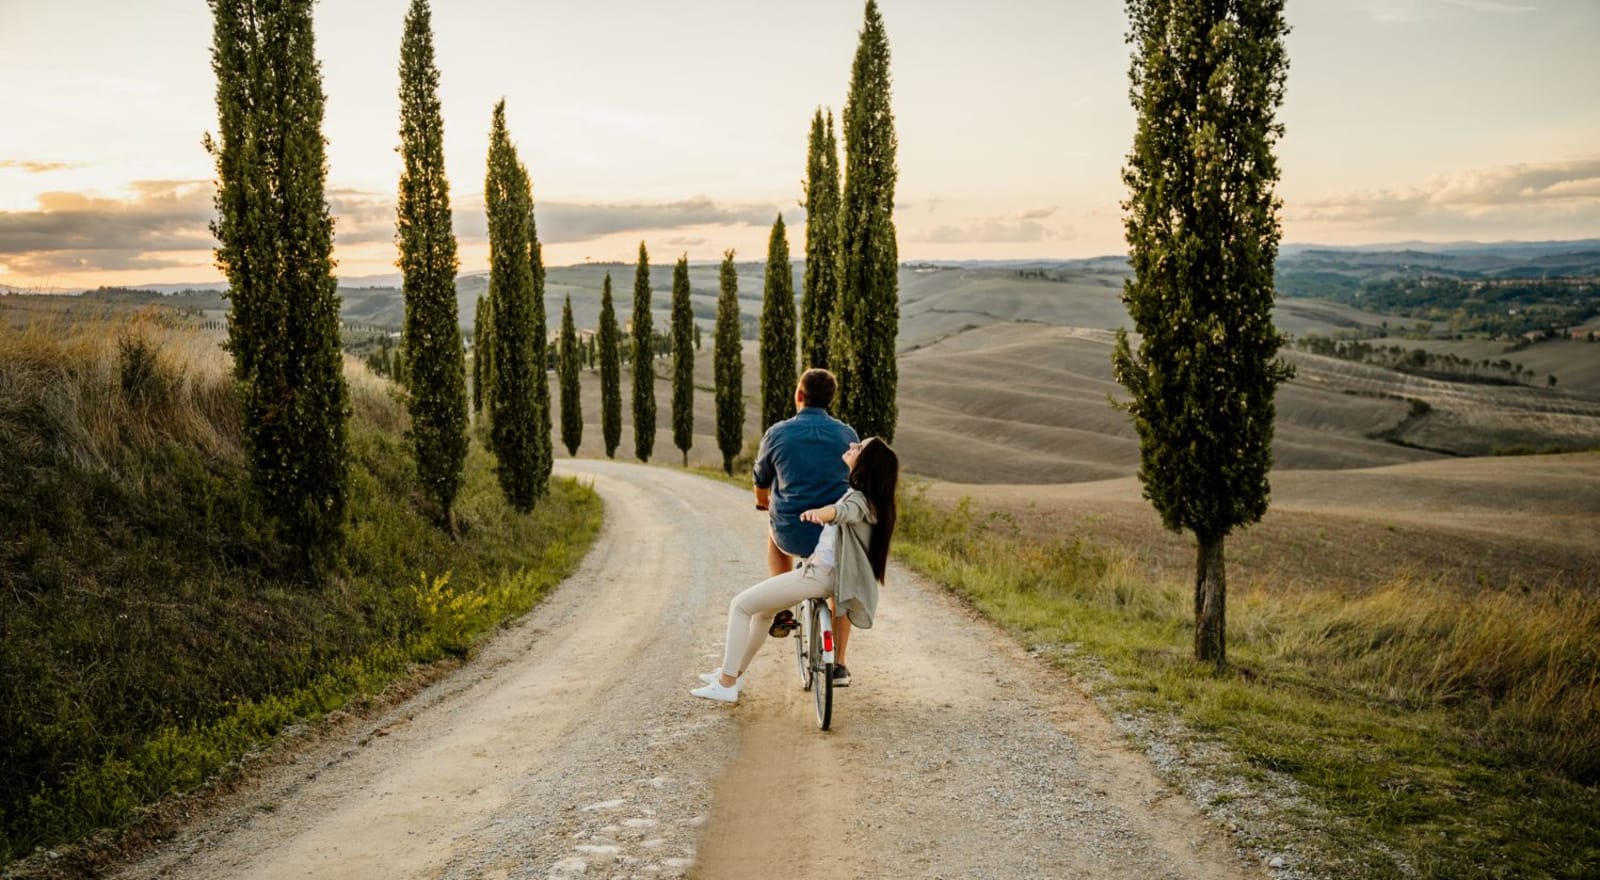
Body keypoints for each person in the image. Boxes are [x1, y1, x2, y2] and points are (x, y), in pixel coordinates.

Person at [692, 437, 899, 703]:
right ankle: (734, 673)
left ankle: (726, 684)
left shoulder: (859, 500)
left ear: (866, 463)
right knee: (764, 612)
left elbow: (841, 511)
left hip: (818, 576)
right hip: (826, 574)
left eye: (859, 448)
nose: (851, 446)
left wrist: (820, 513)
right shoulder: (870, 500)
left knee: (740, 605)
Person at [751, 368, 861, 684]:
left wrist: (763, 502)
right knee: (839, 588)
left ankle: (783, 606)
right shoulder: (847, 434)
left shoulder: (777, 433)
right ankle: (839, 664)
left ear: (799, 395)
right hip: (835, 533)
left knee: (774, 536)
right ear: (830, 399)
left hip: (792, 533)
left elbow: (761, 481)